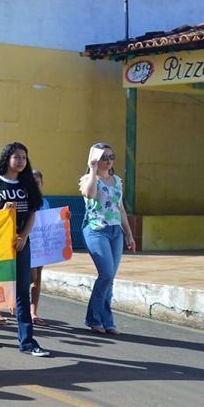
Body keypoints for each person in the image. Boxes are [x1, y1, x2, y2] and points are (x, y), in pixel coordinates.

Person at [0, 142, 50, 357]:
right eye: (17, 157)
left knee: (22, 292)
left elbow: (32, 213)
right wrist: (1, 211)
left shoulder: (27, 184)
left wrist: (24, 236)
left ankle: (27, 342)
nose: (21, 161)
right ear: (7, 158)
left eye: (24, 157)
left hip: (20, 243)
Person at [79, 143, 136, 335]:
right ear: (94, 159)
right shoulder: (88, 179)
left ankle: (107, 321)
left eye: (112, 157)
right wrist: (93, 170)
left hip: (115, 232)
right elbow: (90, 194)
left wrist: (128, 233)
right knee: (106, 274)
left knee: (110, 278)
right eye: (104, 157)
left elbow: (120, 209)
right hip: (96, 230)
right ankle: (94, 319)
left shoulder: (117, 180)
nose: (109, 161)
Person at [30, 170, 50, 326]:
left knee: (37, 279)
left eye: (37, 182)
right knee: (30, 277)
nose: (35, 185)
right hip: (26, 244)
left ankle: (33, 312)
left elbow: (51, 221)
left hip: (41, 245)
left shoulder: (45, 202)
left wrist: (65, 216)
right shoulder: (23, 200)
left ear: (42, 183)